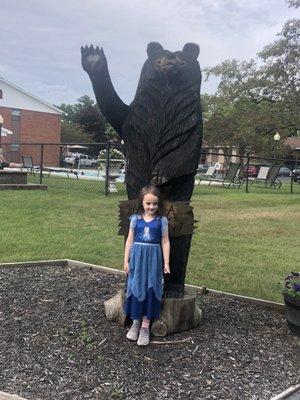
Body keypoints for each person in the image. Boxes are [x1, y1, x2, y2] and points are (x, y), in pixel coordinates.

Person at [123, 186, 170, 346]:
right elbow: (129, 240)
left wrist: (166, 262)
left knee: (151, 287)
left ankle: (145, 326)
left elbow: (165, 241)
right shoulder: (135, 219)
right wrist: (126, 260)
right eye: (148, 203)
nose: (151, 207)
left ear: (159, 204)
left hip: (154, 259)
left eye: (155, 204)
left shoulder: (161, 221)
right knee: (137, 286)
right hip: (137, 258)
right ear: (142, 203)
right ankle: (135, 323)